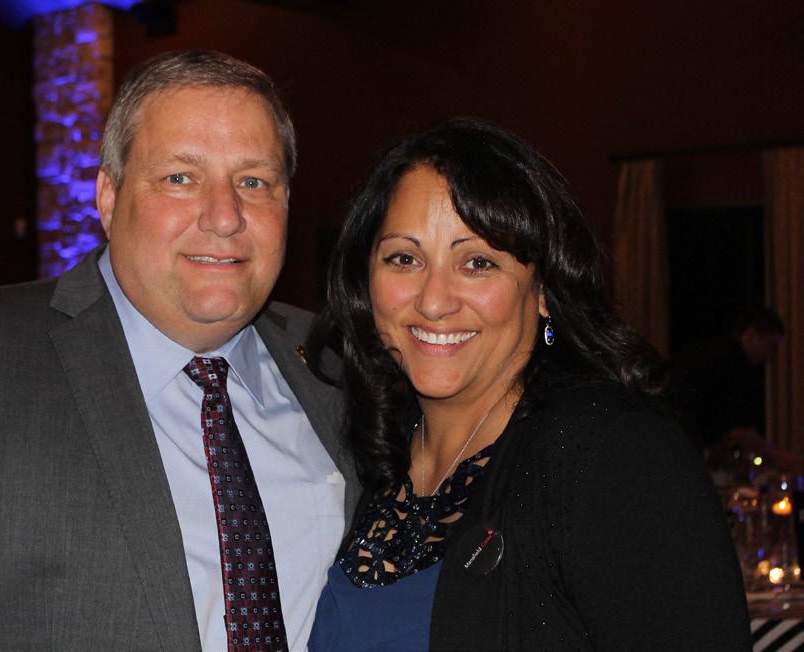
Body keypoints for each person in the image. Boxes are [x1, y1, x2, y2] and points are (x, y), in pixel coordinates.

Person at [0, 50, 358, 651]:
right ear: (109, 197)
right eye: (180, 177)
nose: (225, 217)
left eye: (254, 182)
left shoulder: (343, 366)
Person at [306, 118, 750, 650]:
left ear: (543, 290)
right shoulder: (365, 457)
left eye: (477, 263)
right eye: (404, 258)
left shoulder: (611, 454)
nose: (433, 301)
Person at [673, 307, 789, 468]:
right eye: (771, 346)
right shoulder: (732, 364)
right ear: (751, 335)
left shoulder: (709, 351)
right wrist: (778, 457)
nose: (770, 356)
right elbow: (738, 429)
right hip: (686, 444)